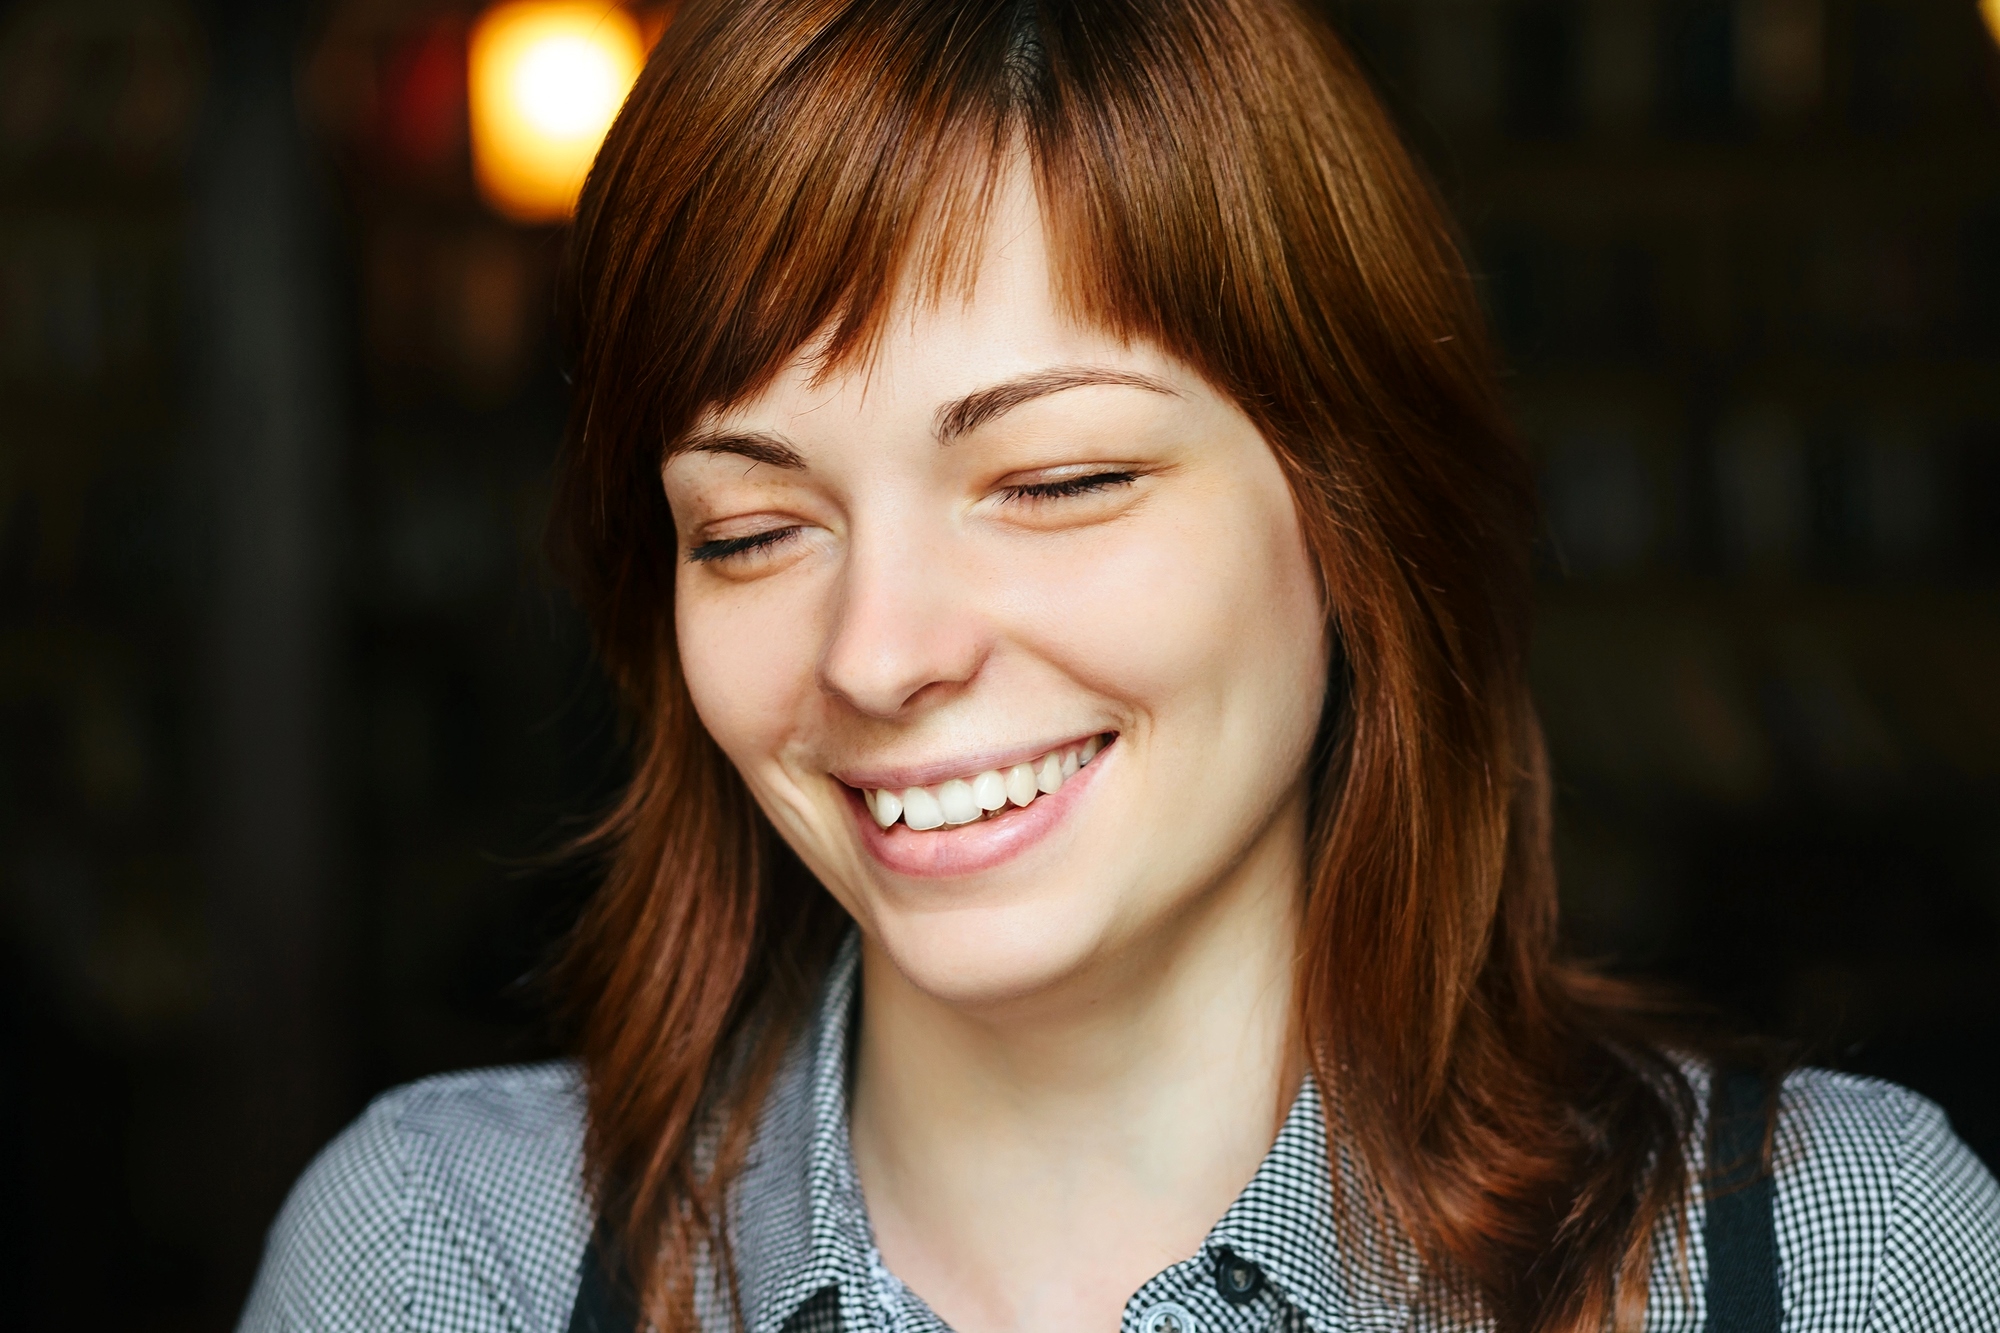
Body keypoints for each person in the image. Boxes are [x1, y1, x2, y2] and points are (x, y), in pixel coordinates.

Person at [238, 2, 2000, 1331]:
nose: (880, 651)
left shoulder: (1811, 1259)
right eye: (753, 529)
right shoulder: (447, 1261)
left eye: (1058, 481)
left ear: (1352, 513)